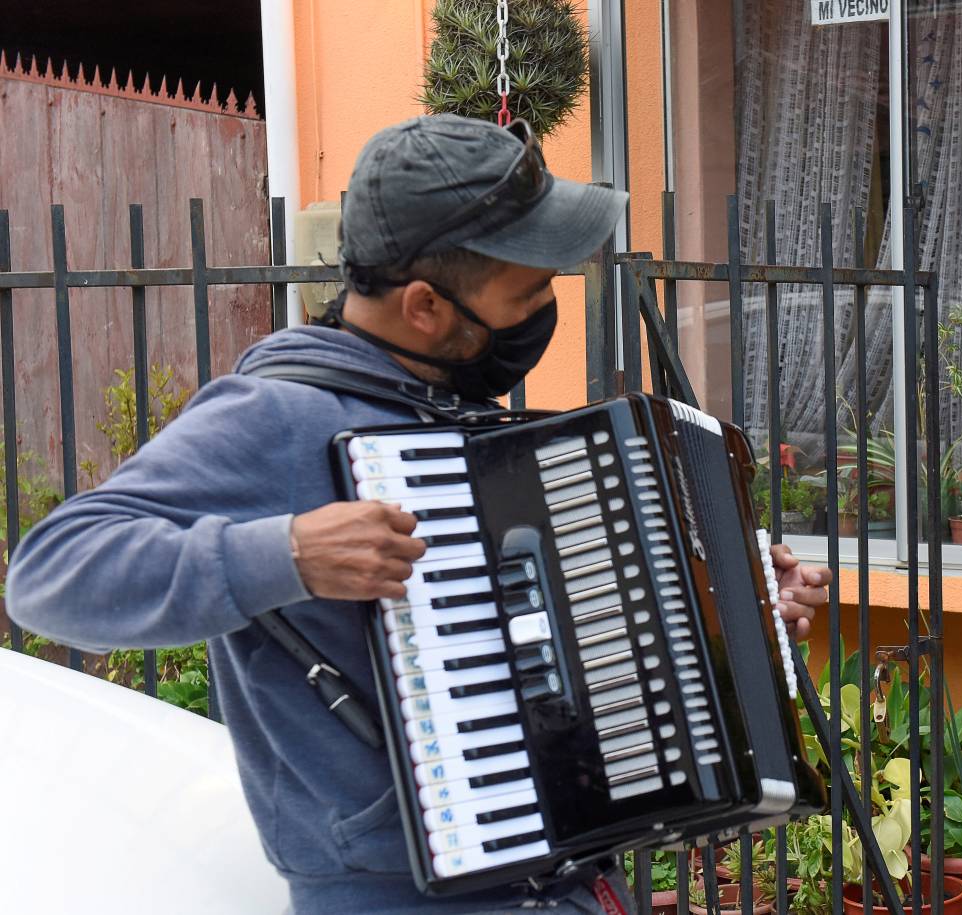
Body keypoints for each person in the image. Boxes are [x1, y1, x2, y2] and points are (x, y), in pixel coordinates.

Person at [5, 115, 833, 915]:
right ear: (427, 307)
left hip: (564, 879)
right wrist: (284, 553)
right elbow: (48, 576)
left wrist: (735, 616)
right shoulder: (273, 419)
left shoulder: (445, 410)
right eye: (530, 289)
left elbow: (564, 642)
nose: (548, 305)